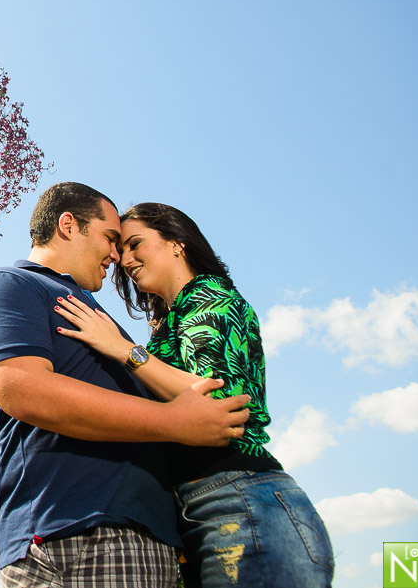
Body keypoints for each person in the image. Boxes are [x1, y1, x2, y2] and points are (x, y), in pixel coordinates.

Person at [0, 182, 252, 588]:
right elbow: (21, 389)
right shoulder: (10, 284)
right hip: (78, 532)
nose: (117, 256)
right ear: (68, 225)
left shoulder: (98, 316)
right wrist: (173, 421)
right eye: (110, 238)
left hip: (149, 540)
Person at [54, 202, 334, 588]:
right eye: (121, 250)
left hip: (241, 499)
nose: (125, 259)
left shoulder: (211, 296)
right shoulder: (168, 325)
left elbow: (215, 405)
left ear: (177, 243)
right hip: (196, 513)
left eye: (136, 244)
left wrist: (122, 349)